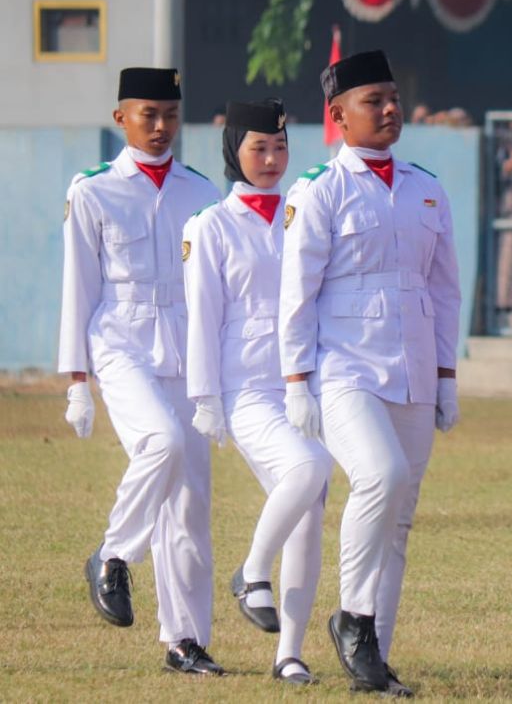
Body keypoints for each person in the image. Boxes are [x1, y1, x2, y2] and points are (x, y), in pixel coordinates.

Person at [278, 50, 462, 696]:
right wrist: (297, 379)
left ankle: (373, 658)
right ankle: (351, 617)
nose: (389, 109)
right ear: (337, 116)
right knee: (378, 476)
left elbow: (444, 290)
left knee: (400, 516)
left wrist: (446, 374)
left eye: (393, 97)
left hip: (412, 362)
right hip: (344, 364)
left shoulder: (426, 186)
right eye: (372, 100)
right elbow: (296, 292)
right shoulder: (318, 190)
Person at [59, 67, 224, 675]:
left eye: (170, 115)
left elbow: (214, 292)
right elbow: (79, 285)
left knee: (189, 502)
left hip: (185, 347)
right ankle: (114, 552)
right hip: (120, 341)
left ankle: (185, 643)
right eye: (147, 114)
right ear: (120, 118)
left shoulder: (202, 193)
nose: (160, 127)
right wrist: (77, 381)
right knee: (162, 440)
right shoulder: (93, 190)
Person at [182, 99, 332, 685]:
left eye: (279, 147)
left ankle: (289, 654)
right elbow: (202, 317)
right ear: (233, 153)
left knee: (309, 514)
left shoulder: (303, 212)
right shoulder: (211, 225)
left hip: (302, 382)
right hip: (245, 389)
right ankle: (250, 570)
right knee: (309, 469)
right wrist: (205, 400)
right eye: (258, 148)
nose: (271, 159)